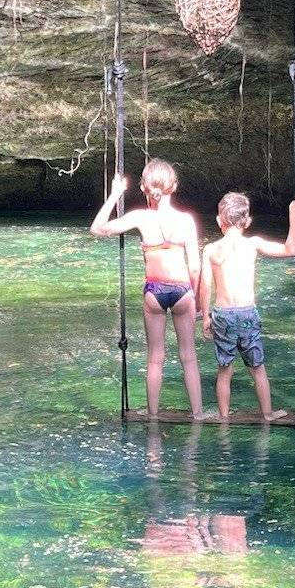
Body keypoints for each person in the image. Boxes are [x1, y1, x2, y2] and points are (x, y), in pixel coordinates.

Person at [90, 159, 206, 420]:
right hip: (182, 290)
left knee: (155, 358)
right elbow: (196, 267)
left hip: (154, 290)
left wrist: (115, 194)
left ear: (143, 187)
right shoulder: (186, 220)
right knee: (188, 356)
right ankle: (198, 414)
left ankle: (153, 415)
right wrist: (195, 300)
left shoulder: (141, 218)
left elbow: (97, 229)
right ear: (174, 186)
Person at [198, 190, 295, 423]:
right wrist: (293, 217)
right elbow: (290, 249)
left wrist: (206, 317)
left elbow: (205, 286)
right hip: (246, 313)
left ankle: (224, 418)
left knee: (225, 369)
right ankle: (267, 414)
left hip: (222, 314)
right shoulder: (253, 244)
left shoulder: (211, 250)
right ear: (247, 221)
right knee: (257, 368)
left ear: (219, 221)